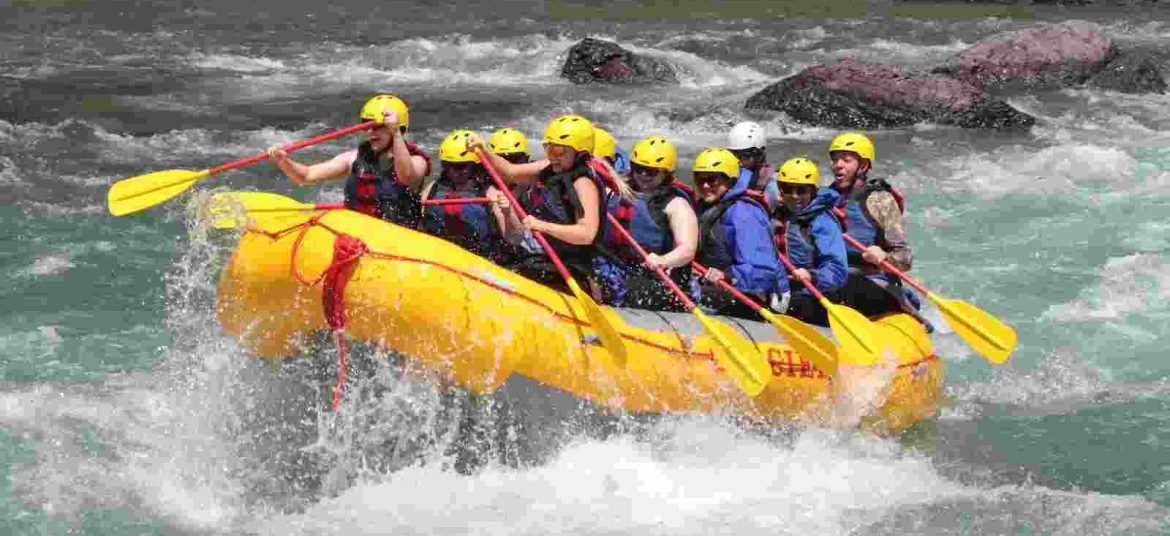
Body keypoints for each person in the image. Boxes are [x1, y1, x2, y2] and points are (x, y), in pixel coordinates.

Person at [471, 114, 627, 302]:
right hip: (547, 260)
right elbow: (510, 172)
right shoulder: (550, 167)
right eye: (549, 149)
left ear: (580, 153)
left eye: (560, 152)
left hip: (576, 269)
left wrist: (542, 226)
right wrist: (483, 150)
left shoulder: (583, 184)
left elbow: (586, 234)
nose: (553, 156)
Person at [266, 94, 431, 228]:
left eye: (378, 126)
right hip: (358, 234)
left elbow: (406, 177)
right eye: (366, 126)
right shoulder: (354, 158)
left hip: (399, 237)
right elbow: (307, 176)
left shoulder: (417, 161)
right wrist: (283, 161)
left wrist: (395, 133)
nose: (371, 132)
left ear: (399, 128)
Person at [826, 132, 923, 321]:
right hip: (833, 280)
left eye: (846, 160)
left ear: (862, 166)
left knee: (846, 283)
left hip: (873, 283)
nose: (838, 165)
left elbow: (905, 259)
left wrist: (883, 257)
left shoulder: (880, 201)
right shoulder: (824, 199)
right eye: (835, 160)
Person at [693, 147, 789, 320]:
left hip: (755, 302)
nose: (705, 186)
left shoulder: (745, 213)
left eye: (712, 180)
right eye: (699, 180)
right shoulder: (704, 207)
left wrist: (728, 275)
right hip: (719, 295)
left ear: (730, 180)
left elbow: (762, 271)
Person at [607, 135, 699, 311]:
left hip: (655, 276)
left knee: (634, 290)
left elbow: (687, 250)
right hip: (619, 268)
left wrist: (663, 260)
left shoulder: (677, 204)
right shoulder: (617, 189)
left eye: (651, 171)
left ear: (666, 173)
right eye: (638, 168)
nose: (642, 175)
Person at [774, 157, 848, 326]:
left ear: (813, 191)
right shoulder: (776, 215)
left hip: (813, 295)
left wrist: (812, 275)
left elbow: (837, 271)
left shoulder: (823, 222)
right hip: (783, 290)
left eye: (802, 190)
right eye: (788, 189)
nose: (794, 196)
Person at [420, 129, 507, 261]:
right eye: (449, 166)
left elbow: (512, 237)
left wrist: (509, 213)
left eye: (460, 167)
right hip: (439, 257)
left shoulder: (491, 193)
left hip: (479, 258)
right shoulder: (432, 188)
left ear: (474, 166)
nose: (454, 172)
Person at [727, 121, 779, 210]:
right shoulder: (726, 177)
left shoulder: (772, 185)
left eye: (745, 156)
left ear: (759, 156)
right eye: (733, 156)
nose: (739, 162)